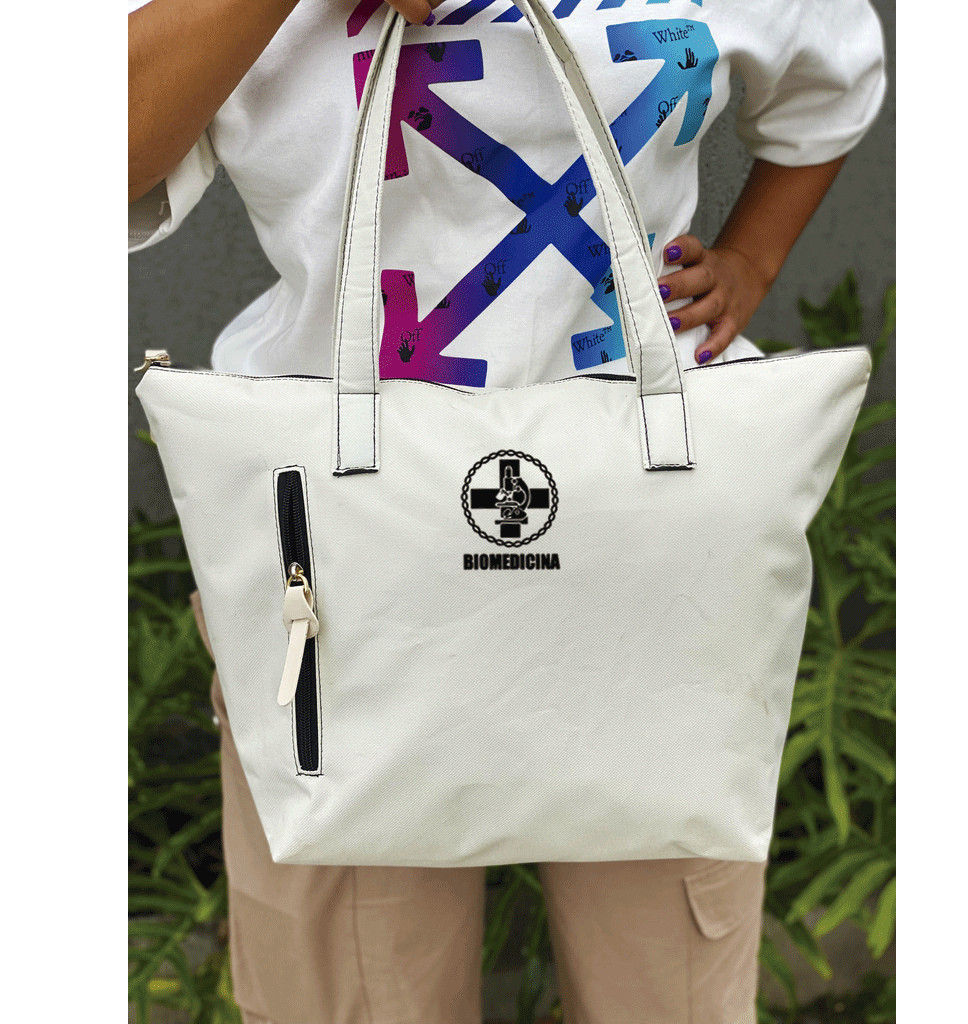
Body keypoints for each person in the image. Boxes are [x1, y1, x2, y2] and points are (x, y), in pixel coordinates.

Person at [129, 1, 887, 1021]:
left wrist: (750, 261)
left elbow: (831, 81)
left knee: (662, 992)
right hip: (347, 559)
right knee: (357, 995)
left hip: (651, 541)